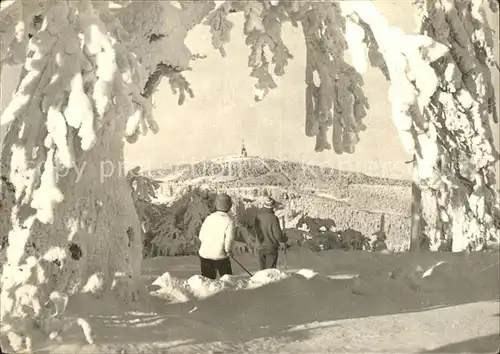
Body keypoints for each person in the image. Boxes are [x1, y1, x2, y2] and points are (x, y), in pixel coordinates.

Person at [197, 193, 235, 279]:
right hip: (220, 256)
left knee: (208, 282)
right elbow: (229, 239)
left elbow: (201, 236)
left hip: (204, 254)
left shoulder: (209, 217)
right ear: (229, 206)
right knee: (228, 282)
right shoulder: (229, 221)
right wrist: (228, 251)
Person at [253, 197, 288, 270]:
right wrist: (284, 239)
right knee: (270, 272)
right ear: (272, 207)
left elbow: (255, 232)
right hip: (271, 248)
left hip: (260, 247)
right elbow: (278, 235)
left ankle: (262, 282)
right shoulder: (273, 218)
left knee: (263, 271)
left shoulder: (258, 217)